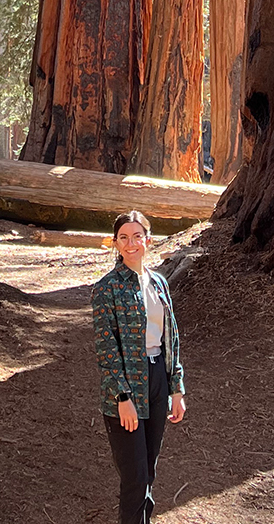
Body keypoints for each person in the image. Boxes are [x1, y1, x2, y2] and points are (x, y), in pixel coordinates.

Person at [91, 210, 186, 524]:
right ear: (116, 244)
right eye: (123, 238)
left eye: (137, 236)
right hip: (126, 387)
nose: (131, 243)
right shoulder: (107, 288)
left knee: (148, 473)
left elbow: (170, 336)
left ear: (148, 239)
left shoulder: (159, 282)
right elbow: (107, 349)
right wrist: (123, 397)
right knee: (135, 478)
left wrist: (176, 389)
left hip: (158, 376)